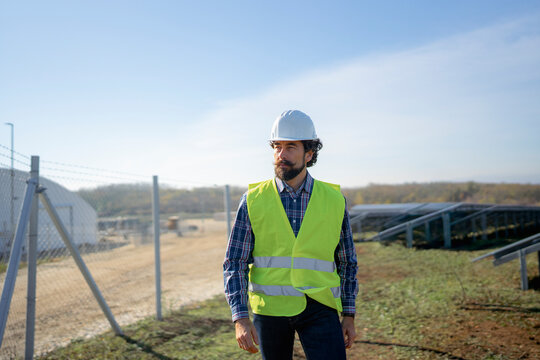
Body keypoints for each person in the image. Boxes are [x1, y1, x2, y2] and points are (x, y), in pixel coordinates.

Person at [223, 110, 359, 360]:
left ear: (309, 153)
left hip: (320, 306)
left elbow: (347, 262)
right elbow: (235, 262)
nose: (281, 155)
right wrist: (240, 317)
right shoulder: (252, 200)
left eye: (290, 147)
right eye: (277, 146)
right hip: (270, 310)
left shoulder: (335, 201)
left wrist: (348, 314)